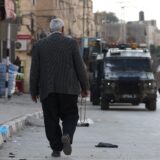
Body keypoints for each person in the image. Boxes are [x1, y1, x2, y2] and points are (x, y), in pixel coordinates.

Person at [30, 18, 89, 157]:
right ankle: (67, 134)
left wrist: (33, 91)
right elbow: (80, 67)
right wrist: (85, 86)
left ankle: (56, 149)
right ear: (62, 29)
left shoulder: (39, 45)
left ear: (50, 30)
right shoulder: (71, 43)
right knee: (70, 115)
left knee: (51, 119)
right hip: (69, 89)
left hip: (47, 90)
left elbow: (35, 70)